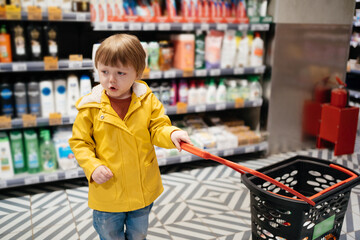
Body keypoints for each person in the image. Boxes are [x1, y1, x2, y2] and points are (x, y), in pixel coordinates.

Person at [68, 33, 191, 240]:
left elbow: (158, 126)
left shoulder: (147, 100)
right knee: (109, 233)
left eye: (121, 73)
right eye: (104, 71)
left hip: (141, 188)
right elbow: (80, 143)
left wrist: (172, 133)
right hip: (108, 190)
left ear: (138, 73)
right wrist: (93, 166)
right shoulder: (90, 107)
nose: (110, 79)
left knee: (139, 233)